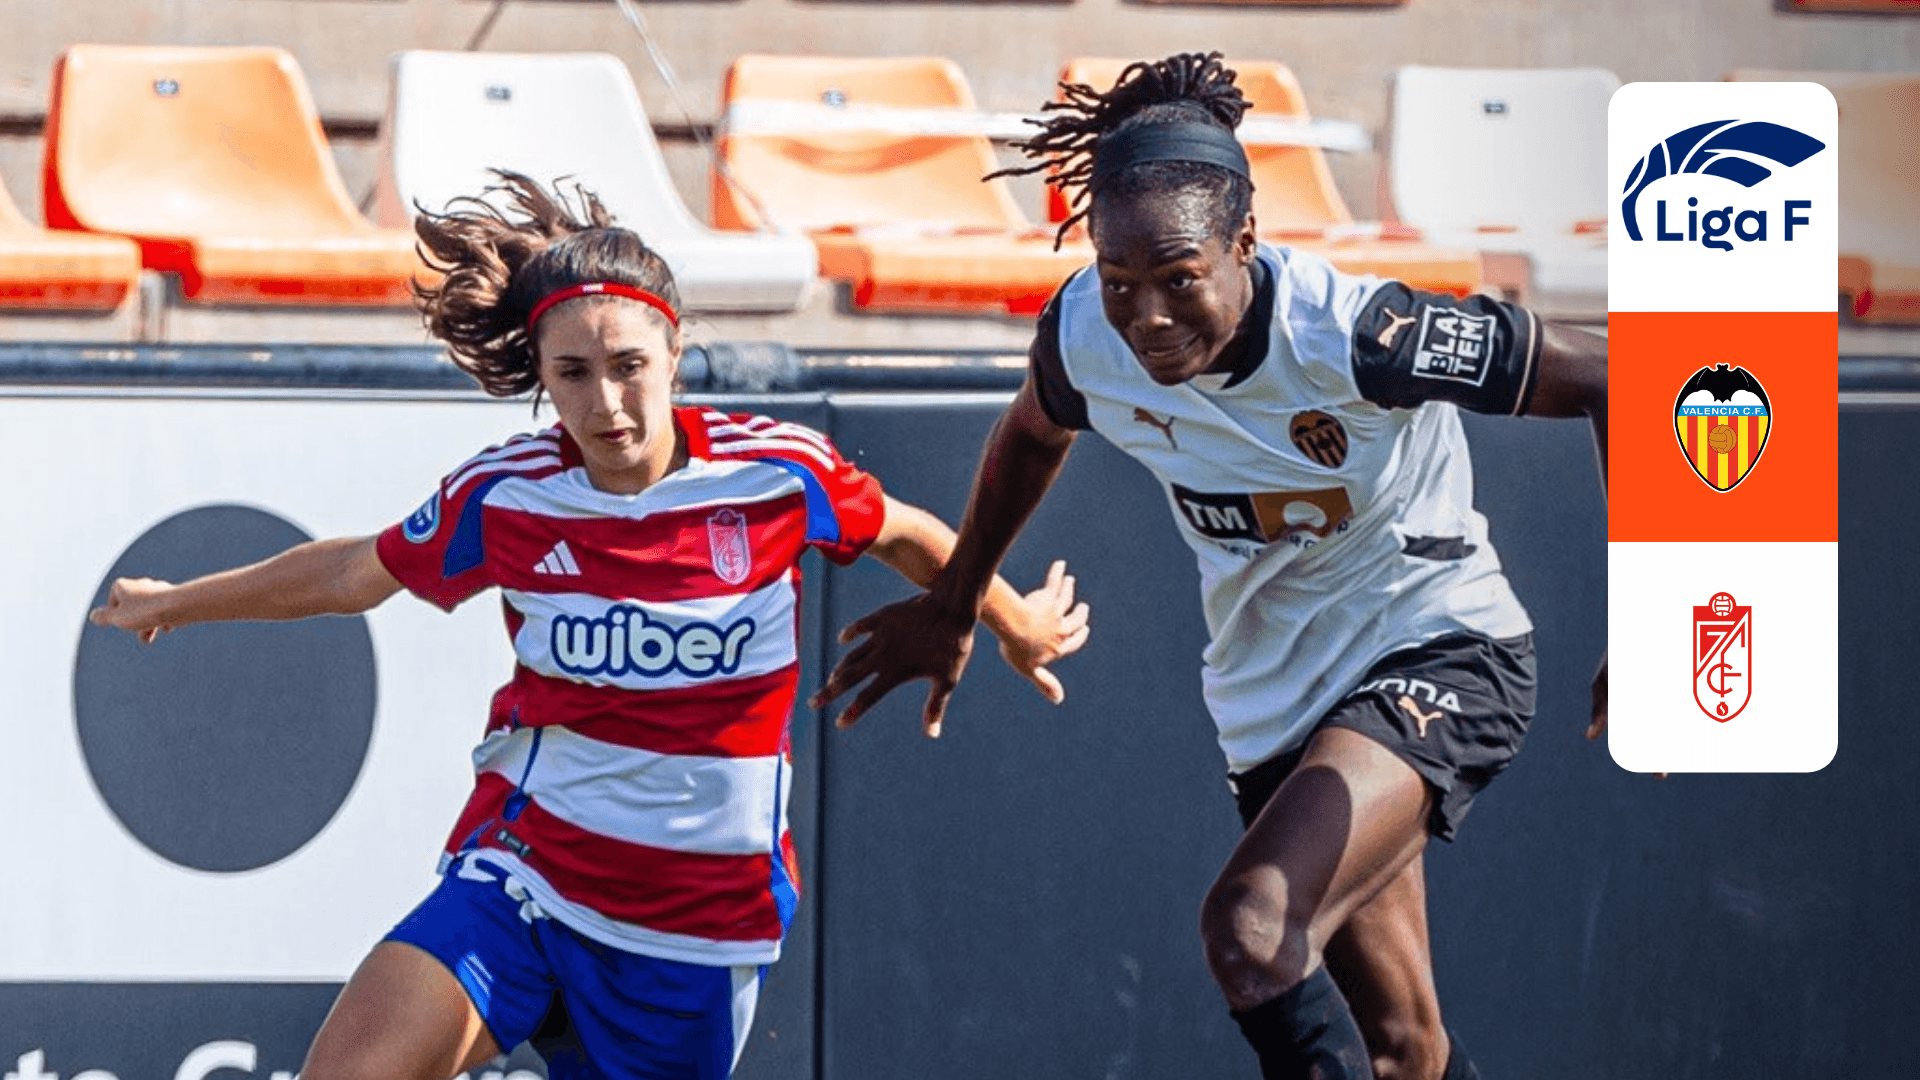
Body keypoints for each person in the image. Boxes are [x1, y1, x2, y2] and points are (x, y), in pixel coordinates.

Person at [88, 171, 1091, 1080]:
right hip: (524, 871)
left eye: (628, 365)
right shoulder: (507, 495)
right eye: (572, 373)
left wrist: (1010, 622)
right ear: (542, 373)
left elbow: (905, 532)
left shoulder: (777, 473)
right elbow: (355, 572)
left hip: (695, 924)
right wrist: (176, 601)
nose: (606, 403)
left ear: (675, 354)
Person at [812, 53, 1607, 1080]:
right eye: (1120, 281)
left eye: (1179, 278)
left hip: (1437, 642)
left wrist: (1667, 607)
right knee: (1401, 1050)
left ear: (1245, 241)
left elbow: (1620, 375)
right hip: (1274, 697)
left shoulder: (1362, 335)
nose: (1146, 317)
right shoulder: (1084, 332)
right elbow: (1033, 430)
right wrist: (959, 600)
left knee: (1253, 926)